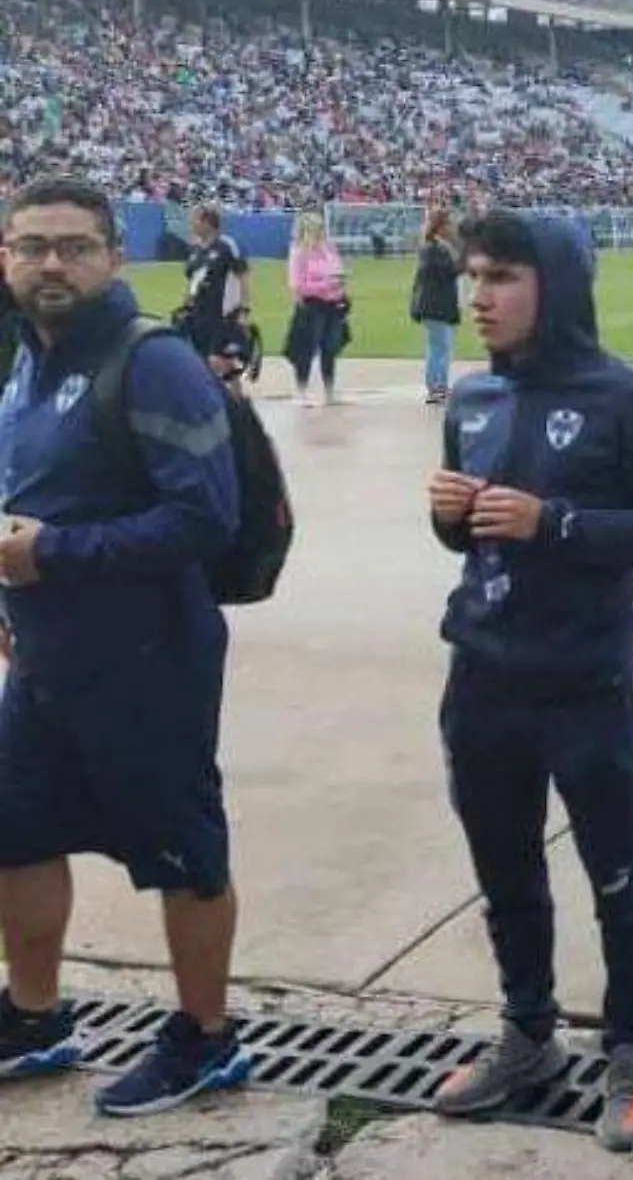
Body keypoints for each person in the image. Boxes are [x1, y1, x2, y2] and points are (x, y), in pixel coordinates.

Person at [425, 209, 633, 1153]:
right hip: (482, 677)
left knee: (617, 879)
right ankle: (529, 1032)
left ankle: (629, 1048)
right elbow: (474, 535)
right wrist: (451, 517)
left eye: (500, 276)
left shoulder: (631, 399)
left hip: (584, 681)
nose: (479, 296)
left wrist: (558, 522)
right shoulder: (469, 400)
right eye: (473, 277)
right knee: (506, 876)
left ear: (557, 285)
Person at [0, 177, 248, 1115]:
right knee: (15, 831)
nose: (51, 263)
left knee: (181, 850)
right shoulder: (28, 359)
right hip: (45, 657)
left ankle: (208, 1036)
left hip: (151, 658)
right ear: (6, 259)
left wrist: (48, 555)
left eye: (73, 246)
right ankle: (35, 1014)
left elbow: (205, 518)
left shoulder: (154, 362)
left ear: (113, 256)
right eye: (32, 246)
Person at [285, 212, 349, 407]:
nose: (321, 233)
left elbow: (339, 270)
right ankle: (301, 391)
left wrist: (339, 283)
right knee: (306, 349)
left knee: (330, 348)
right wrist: (325, 284)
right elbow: (298, 285)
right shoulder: (299, 252)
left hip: (333, 305)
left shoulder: (329, 248)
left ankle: (329, 392)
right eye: (317, 229)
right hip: (312, 305)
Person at [181, 205, 251, 359]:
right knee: (200, 358)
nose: (191, 224)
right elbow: (192, 280)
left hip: (223, 313)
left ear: (207, 222)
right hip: (198, 313)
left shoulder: (227, 246)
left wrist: (244, 310)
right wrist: (186, 304)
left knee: (222, 362)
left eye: (194, 220)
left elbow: (243, 276)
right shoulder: (194, 249)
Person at [412, 206, 463, 405]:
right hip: (435, 305)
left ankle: (439, 385)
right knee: (440, 347)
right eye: (448, 223)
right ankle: (436, 387)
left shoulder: (436, 246)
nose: (452, 227)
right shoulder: (433, 248)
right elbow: (449, 271)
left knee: (440, 347)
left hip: (438, 305)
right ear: (440, 226)